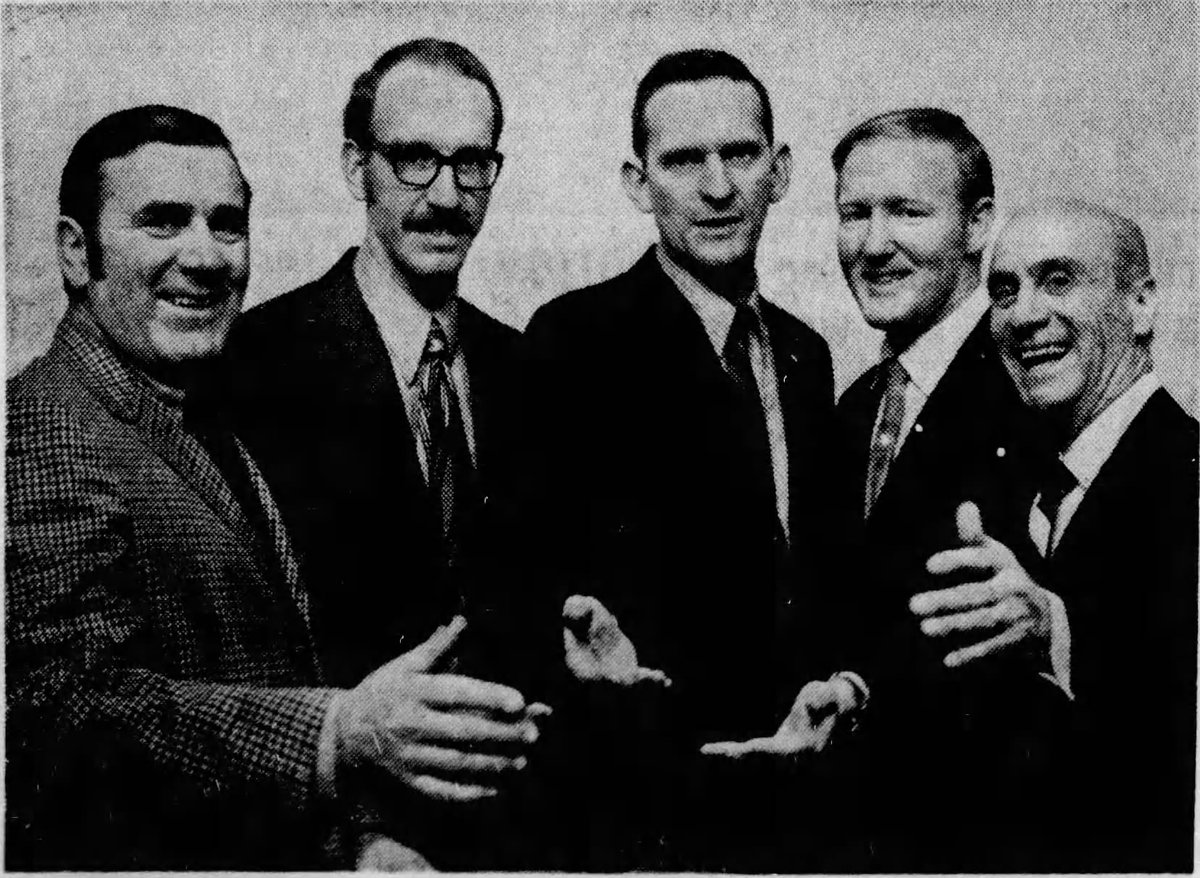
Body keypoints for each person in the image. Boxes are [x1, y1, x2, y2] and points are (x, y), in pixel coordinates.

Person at [5, 105, 547, 871]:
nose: (206, 257)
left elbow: (256, 684)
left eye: (228, 225)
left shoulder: (199, 417)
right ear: (74, 250)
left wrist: (361, 843)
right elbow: (60, 717)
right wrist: (337, 731)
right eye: (163, 222)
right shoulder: (41, 427)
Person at [701, 108, 1053, 870]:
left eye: (907, 212)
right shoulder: (854, 404)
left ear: (978, 224)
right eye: (854, 213)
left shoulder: (1038, 386)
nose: (873, 243)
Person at [515, 48, 837, 869]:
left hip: (799, 801)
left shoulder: (806, 354)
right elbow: (530, 581)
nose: (717, 187)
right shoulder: (574, 340)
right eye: (684, 160)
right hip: (644, 818)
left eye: (741, 154)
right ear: (638, 183)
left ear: (781, 171)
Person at [222, 39, 522, 690]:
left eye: (472, 163)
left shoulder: (524, 365)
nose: (447, 196)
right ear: (357, 168)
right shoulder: (258, 358)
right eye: (414, 160)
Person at [942, 199, 1195, 870]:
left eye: (1058, 280)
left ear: (1141, 305)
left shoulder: (1190, 482)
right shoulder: (1005, 494)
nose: (1023, 315)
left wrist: (1055, 631)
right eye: (1004, 291)